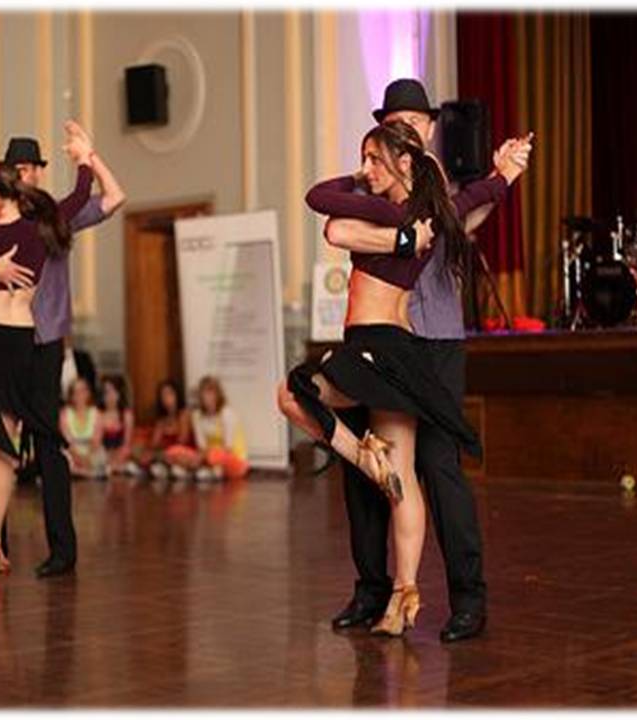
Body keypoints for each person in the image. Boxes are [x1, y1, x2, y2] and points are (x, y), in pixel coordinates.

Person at [277, 118, 528, 637]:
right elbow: (472, 199)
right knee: (401, 477)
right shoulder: (419, 217)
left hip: (381, 345)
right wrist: (501, 176)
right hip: (390, 348)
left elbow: (324, 208)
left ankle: (362, 461)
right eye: (364, 160)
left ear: (406, 162)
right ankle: (401, 597)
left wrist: (502, 176)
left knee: (294, 394)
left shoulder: (397, 211)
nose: (366, 169)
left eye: (374, 159)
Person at [0, 120, 125, 578]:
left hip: (43, 342)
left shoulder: (53, 216)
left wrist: (89, 155)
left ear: (39, 173)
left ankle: (62, 549)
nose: (28, 174)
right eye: (19, 168)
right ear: (8, 177)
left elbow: (114, 198)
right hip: (3, 338)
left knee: (45, 443)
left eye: (34, 167)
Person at [184, 376, 250, 482]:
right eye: (204, 393)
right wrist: (202, 456)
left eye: (211, 392)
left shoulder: (227, 414)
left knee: (212, 458)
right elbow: (201, 446)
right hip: (208, 457)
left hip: (233, 458)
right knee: (178, 452)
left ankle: (208, 470)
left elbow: (228, 448)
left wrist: (206, 456)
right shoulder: (197, 416)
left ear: (218, 394)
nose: (207, 397)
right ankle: (206, 469)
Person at [137, 379, 197, 480]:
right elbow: (154, 444)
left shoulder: (184, 414)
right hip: (165, 455)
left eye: (170, 393)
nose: (166, 398)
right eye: (163, 395)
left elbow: (182, 441)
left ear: (177, 395)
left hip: (183, 453)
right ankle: (161, 468)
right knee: (143, 453)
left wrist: (163, 453)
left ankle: (173, 469)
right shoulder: (161, 420)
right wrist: (150, 452)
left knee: (175, 454)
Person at [59, 377, 106, 479]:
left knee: (100, 457)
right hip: (72, 453)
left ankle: (84, 472)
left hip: (91, 453)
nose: (79, 395)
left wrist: (87, 458)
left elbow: (96, 441)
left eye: (82, 391)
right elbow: (67, 443)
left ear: (88, 393)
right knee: (63, 458)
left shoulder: (96, 414)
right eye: (76, 392)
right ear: (71, 396)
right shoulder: (64, 414)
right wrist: (78, 458)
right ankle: (84, 473)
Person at [98, 374, 139, 476]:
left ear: (120, 394)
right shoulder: (98, 415)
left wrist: (118, 457)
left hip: (122, 454)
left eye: (114, 392)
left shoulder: (126, 415)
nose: (110, 396)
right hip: (103, 455)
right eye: (106, 392)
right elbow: (97, 442)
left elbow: (127, 443)